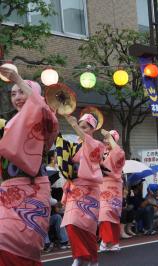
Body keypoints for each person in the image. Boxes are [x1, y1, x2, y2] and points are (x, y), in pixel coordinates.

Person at [0, 67, 59, 265]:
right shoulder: (9, 124)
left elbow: (40, 107)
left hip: (32, 188)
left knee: (21, 242)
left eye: (22, 91)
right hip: (7, 191)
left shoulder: (44, 115)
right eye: (13, 93)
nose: (17, 97)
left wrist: (16, 77)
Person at [56, 112, 104, 266]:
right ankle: (80, 256)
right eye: (80, 127)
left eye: (85, 127)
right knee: (71, 223)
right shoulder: (75, 146)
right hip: (75, 188)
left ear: (92, 129)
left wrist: (75, 125)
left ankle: (93, 259)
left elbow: (87, 140)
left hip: (90, 190)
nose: (81, 130)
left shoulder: (97, 145)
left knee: (87, 228)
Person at [98, 129, 125, 252]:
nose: (106, 141)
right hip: (102, 185)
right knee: (104, 213)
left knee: (113, 214)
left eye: (109, 138)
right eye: (105, 138)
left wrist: (109, 137)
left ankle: (113, 242)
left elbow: (118, 152)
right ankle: (107, 240)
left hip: (114, 185)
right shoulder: (102, 151)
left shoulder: (119, 152)